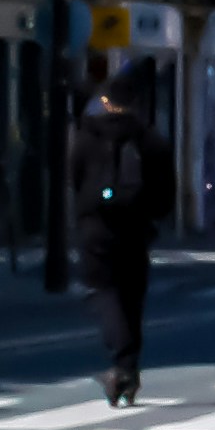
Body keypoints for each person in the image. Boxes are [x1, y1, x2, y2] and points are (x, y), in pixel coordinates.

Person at [73, 67, 171, 405]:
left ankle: (122, 364)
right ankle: (128, 369)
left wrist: (85, 210)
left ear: (105, 101)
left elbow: (74, 177)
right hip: (135, 226)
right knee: (132, 297)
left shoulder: (87, 136)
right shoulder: (151, 140)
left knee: (105, 292)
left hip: (96, 227)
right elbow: (164, 191)